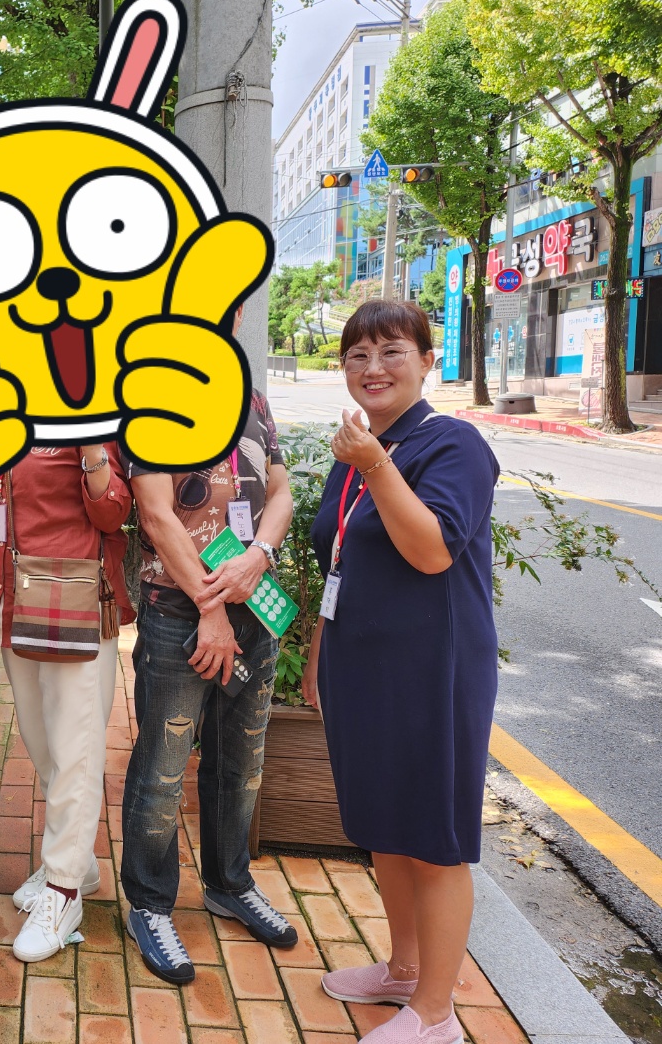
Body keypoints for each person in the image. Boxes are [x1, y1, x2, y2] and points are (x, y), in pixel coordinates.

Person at [305, 300, 498, 1044]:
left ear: (426, 361)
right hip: (362, 663)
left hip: (431, 672)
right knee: (384, 824)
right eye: (357, 355)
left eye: (391, 351)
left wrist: (375, 464)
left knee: (433, 836)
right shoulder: (362, 447)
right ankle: (404, 969)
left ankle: (436, 1013)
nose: (373, 368)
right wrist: (321, 653)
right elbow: (340, 559)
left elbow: (431, 551)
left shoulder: (453, 444)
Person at [120, 354, 297, 983]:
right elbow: (155, 514)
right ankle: (149, 903)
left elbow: (280, 490)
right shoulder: (149, 395)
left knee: (241, 759)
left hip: (255, 605)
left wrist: (259, 556)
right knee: (163, 766)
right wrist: (210, 607)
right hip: (181, 612)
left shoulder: (250, 397)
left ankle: (229, 884)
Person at [0, 443, 133, 963]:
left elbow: (113, 511)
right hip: (13, 597)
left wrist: (91, 449)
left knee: (74, 748)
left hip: (72, 597)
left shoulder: (84, 416)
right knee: (42, 743)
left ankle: (64, 889)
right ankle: (78, 863)